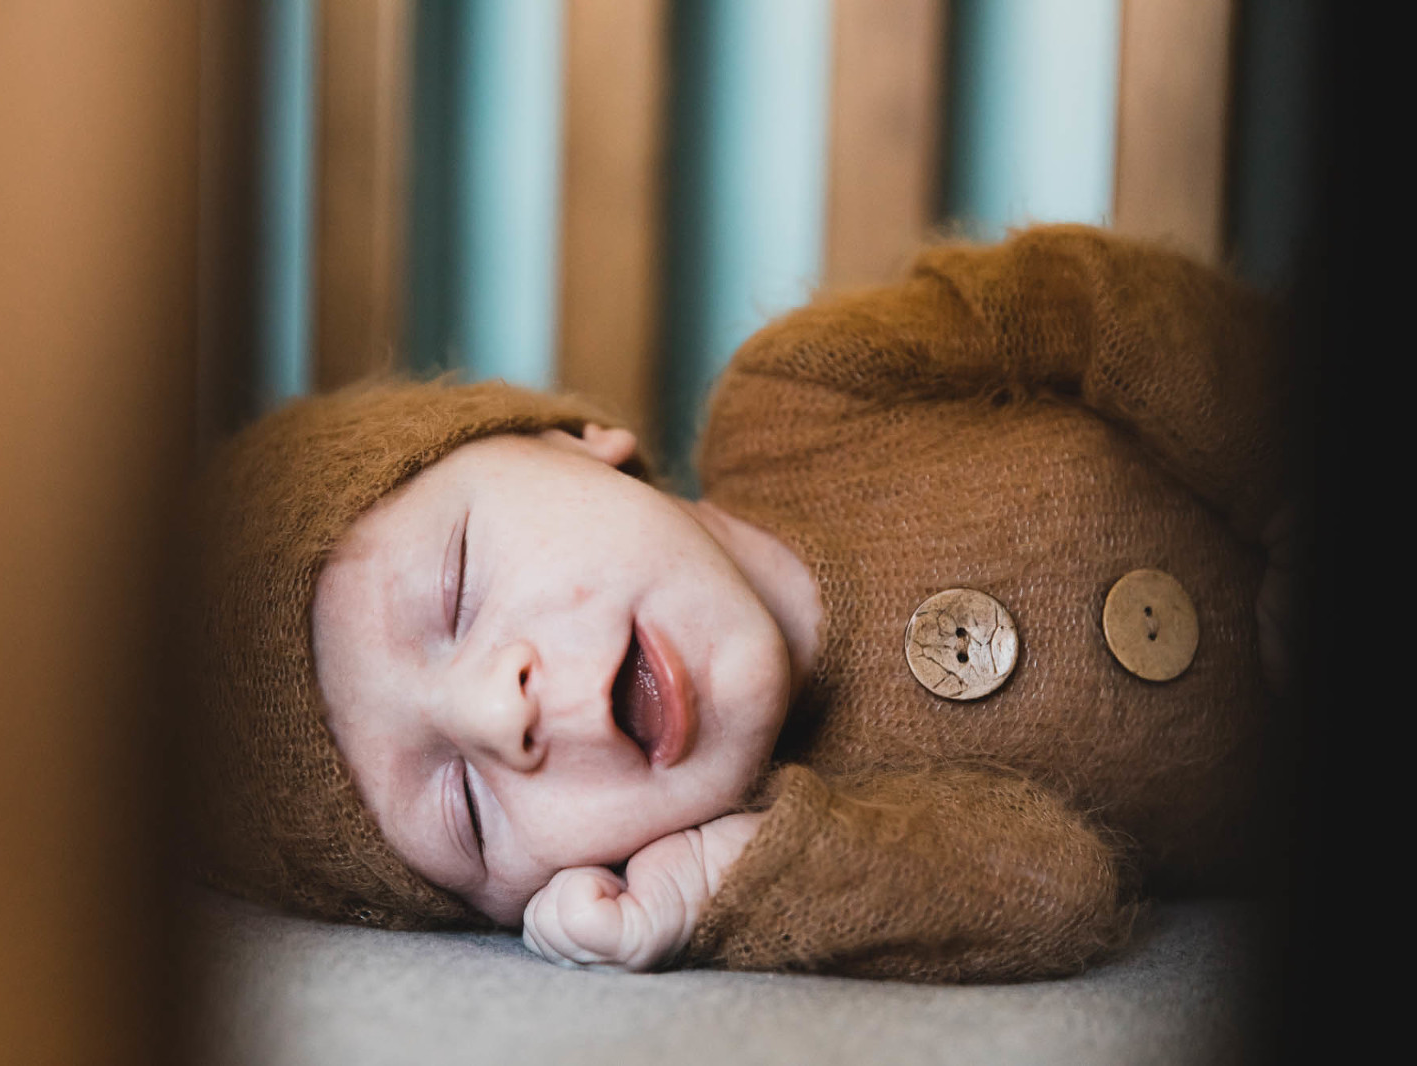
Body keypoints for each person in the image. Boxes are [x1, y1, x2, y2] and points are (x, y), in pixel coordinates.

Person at [182, 224, 1292, 981]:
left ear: (578, 443)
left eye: (457, 586)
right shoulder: (819, 823)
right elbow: (1059, 886)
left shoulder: (800, 397)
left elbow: (1082, 305)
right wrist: (724, 888)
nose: (496, 712)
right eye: (462, 811)